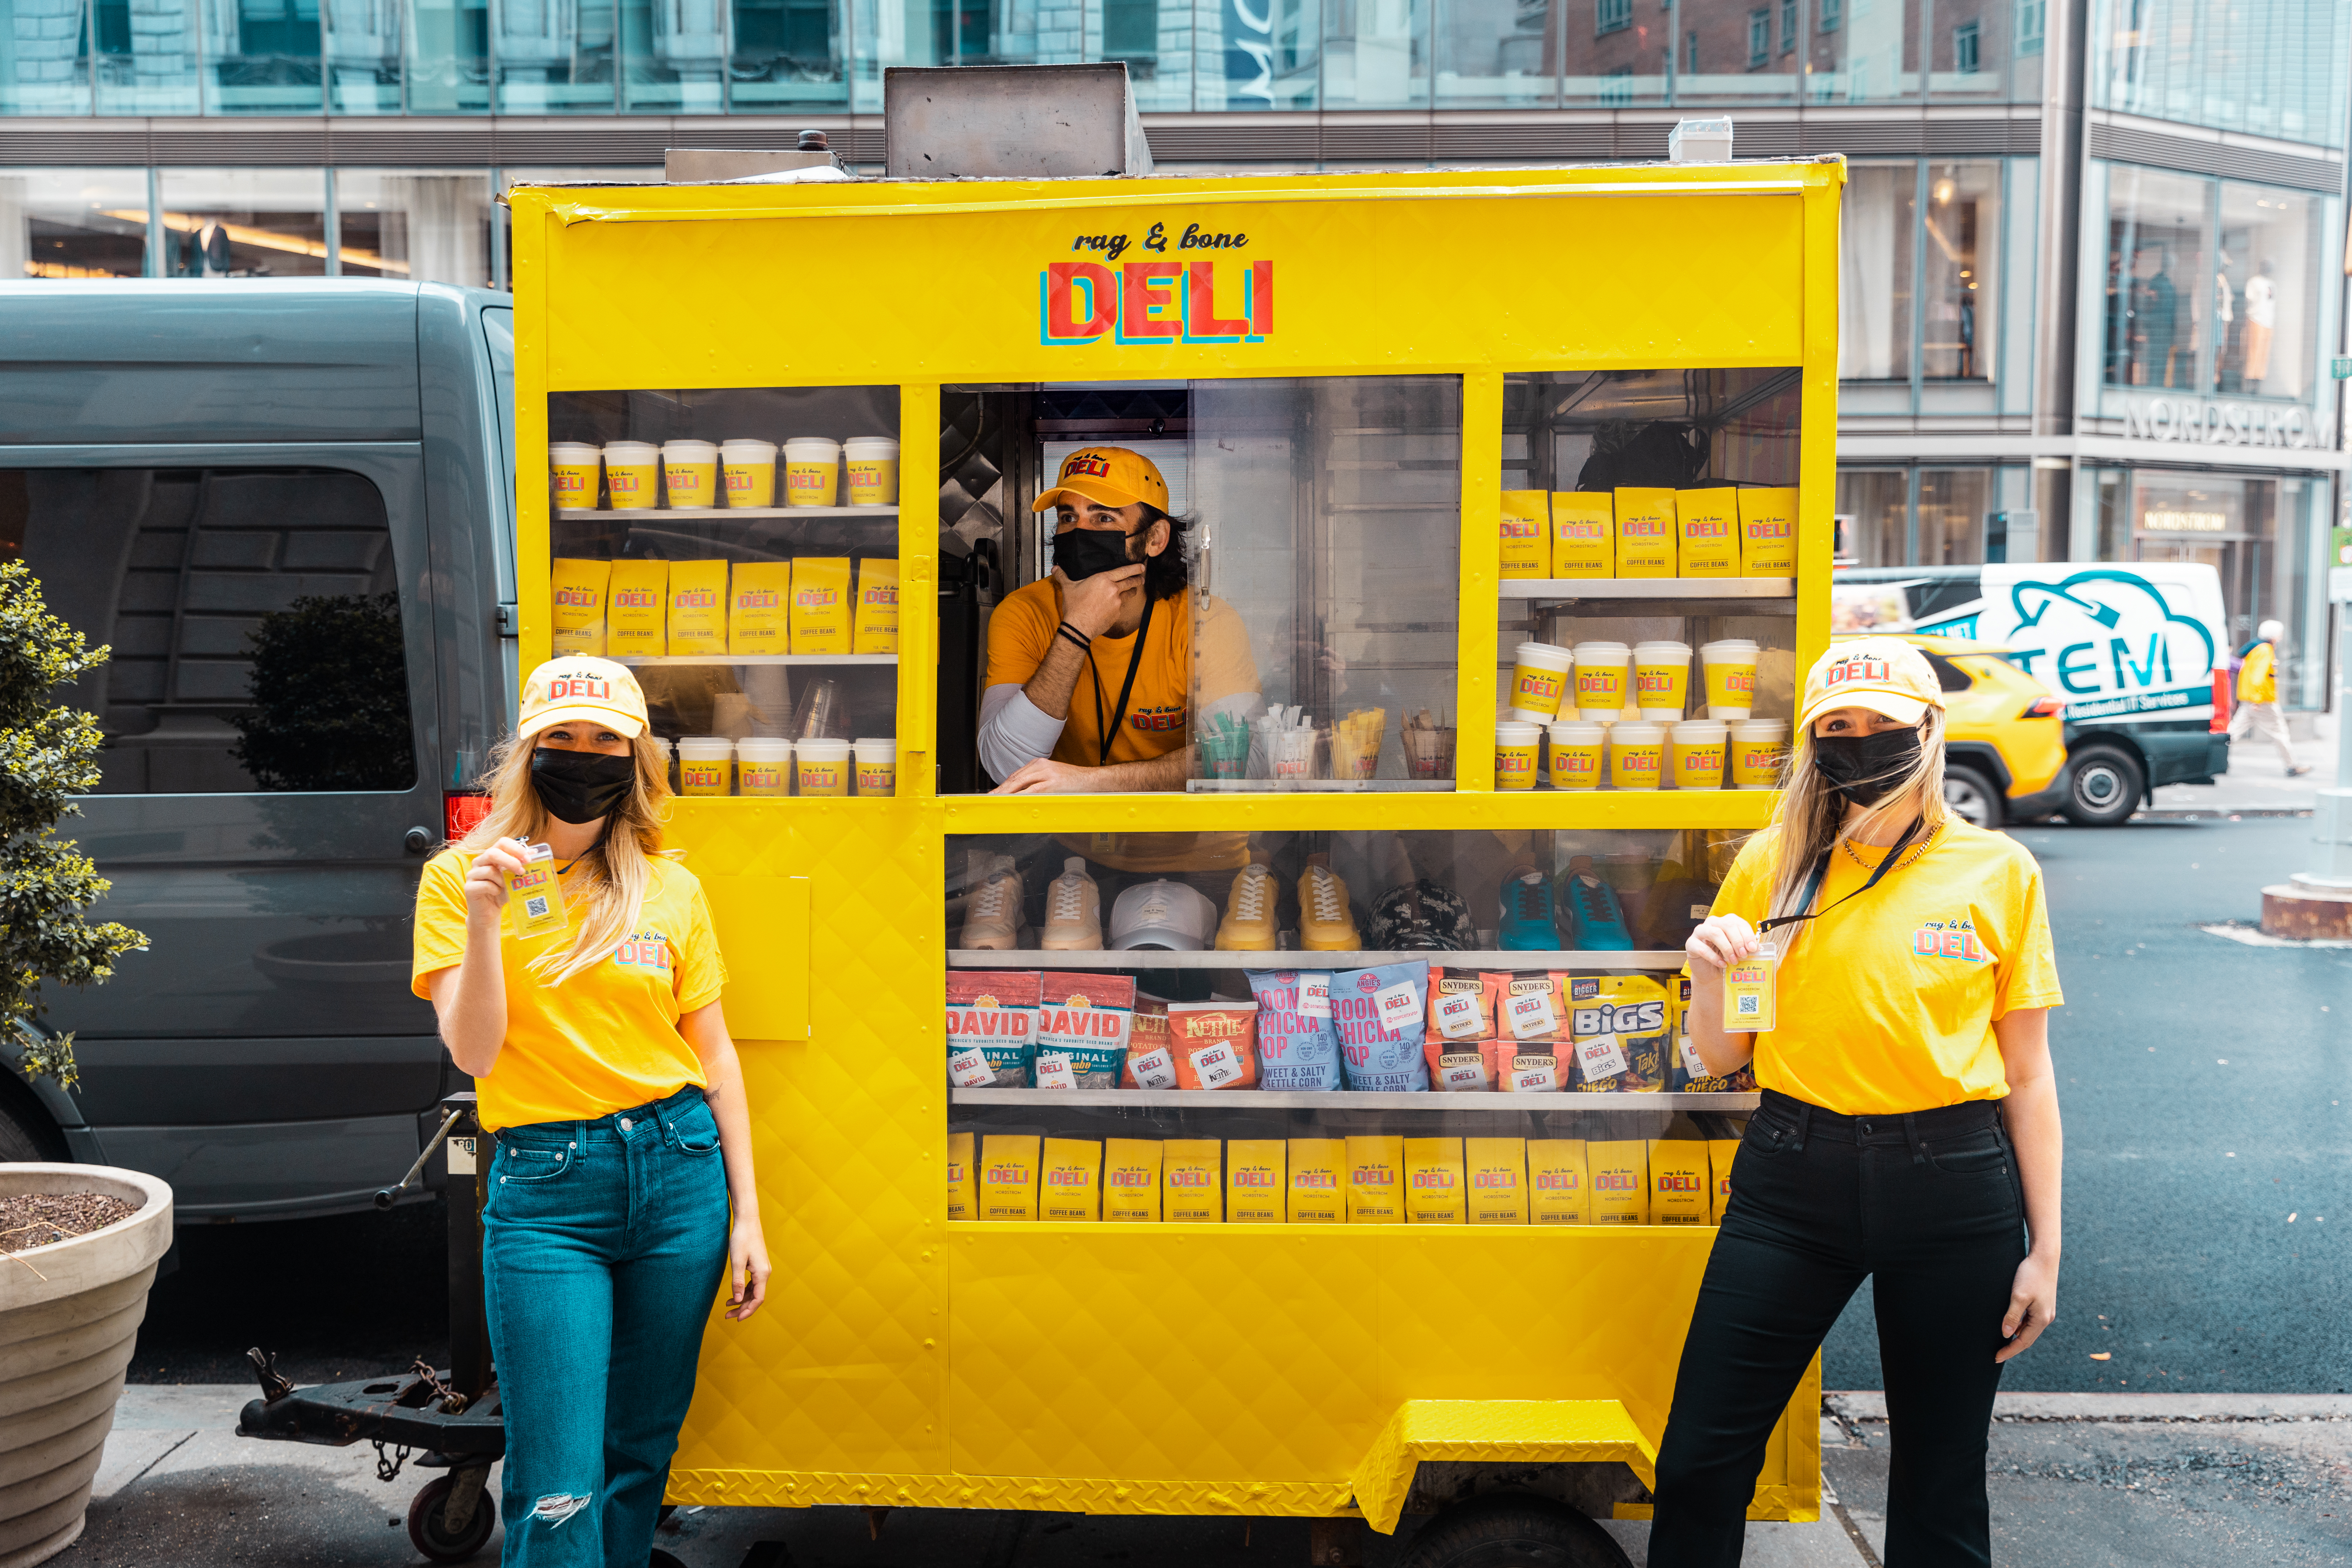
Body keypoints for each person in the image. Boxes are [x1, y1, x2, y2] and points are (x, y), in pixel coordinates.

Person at [1650, 637, 2065, 1568]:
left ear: (1929, 731)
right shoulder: (1774, 866)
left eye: (1882, 724)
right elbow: (1722, 1056)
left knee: (1940, 1483)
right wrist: (1706, 977)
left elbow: (2029, 1076)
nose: (1860, 742)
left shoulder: (1998, 873)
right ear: (1813, 742)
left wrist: (2046, 1250)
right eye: (1838, 726)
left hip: (1954, 1189)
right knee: (1699, 1465)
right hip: (1792, 1184)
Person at [412, 656, 769, 1567]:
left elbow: (714, 1054)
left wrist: (748, 1217)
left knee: (638, 1454)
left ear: (636, 755)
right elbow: (475, 1051)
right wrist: (489, 918)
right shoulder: (459, 880)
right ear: (526, 753)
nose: (583, 754)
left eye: (605, 738)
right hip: (547, 1189)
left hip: (678, 1168)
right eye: (560, 738)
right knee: (558, 1475)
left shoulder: (670, 887)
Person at [979, 445, 1261, 793]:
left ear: (1155, 538)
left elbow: (1244, 757)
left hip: (1197, 844)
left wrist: (1093, 782)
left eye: (1104, 518)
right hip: (1062, 844)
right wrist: (1077, 628)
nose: (1079, 532)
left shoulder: (1204, 621)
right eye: (1068, 518)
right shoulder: (1024, 612)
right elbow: (1005, 765)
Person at [2230, 618, 2308, 777]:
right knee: (2279, 732)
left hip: (2250, 699)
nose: (2280, 637)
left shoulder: (2254, 648)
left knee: (2234, 731)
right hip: (2262, 701)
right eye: (2279, 634)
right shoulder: (2265, 650)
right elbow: (2259, 677)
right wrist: (2257, 700)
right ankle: (2292, 765)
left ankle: (2209, 753)